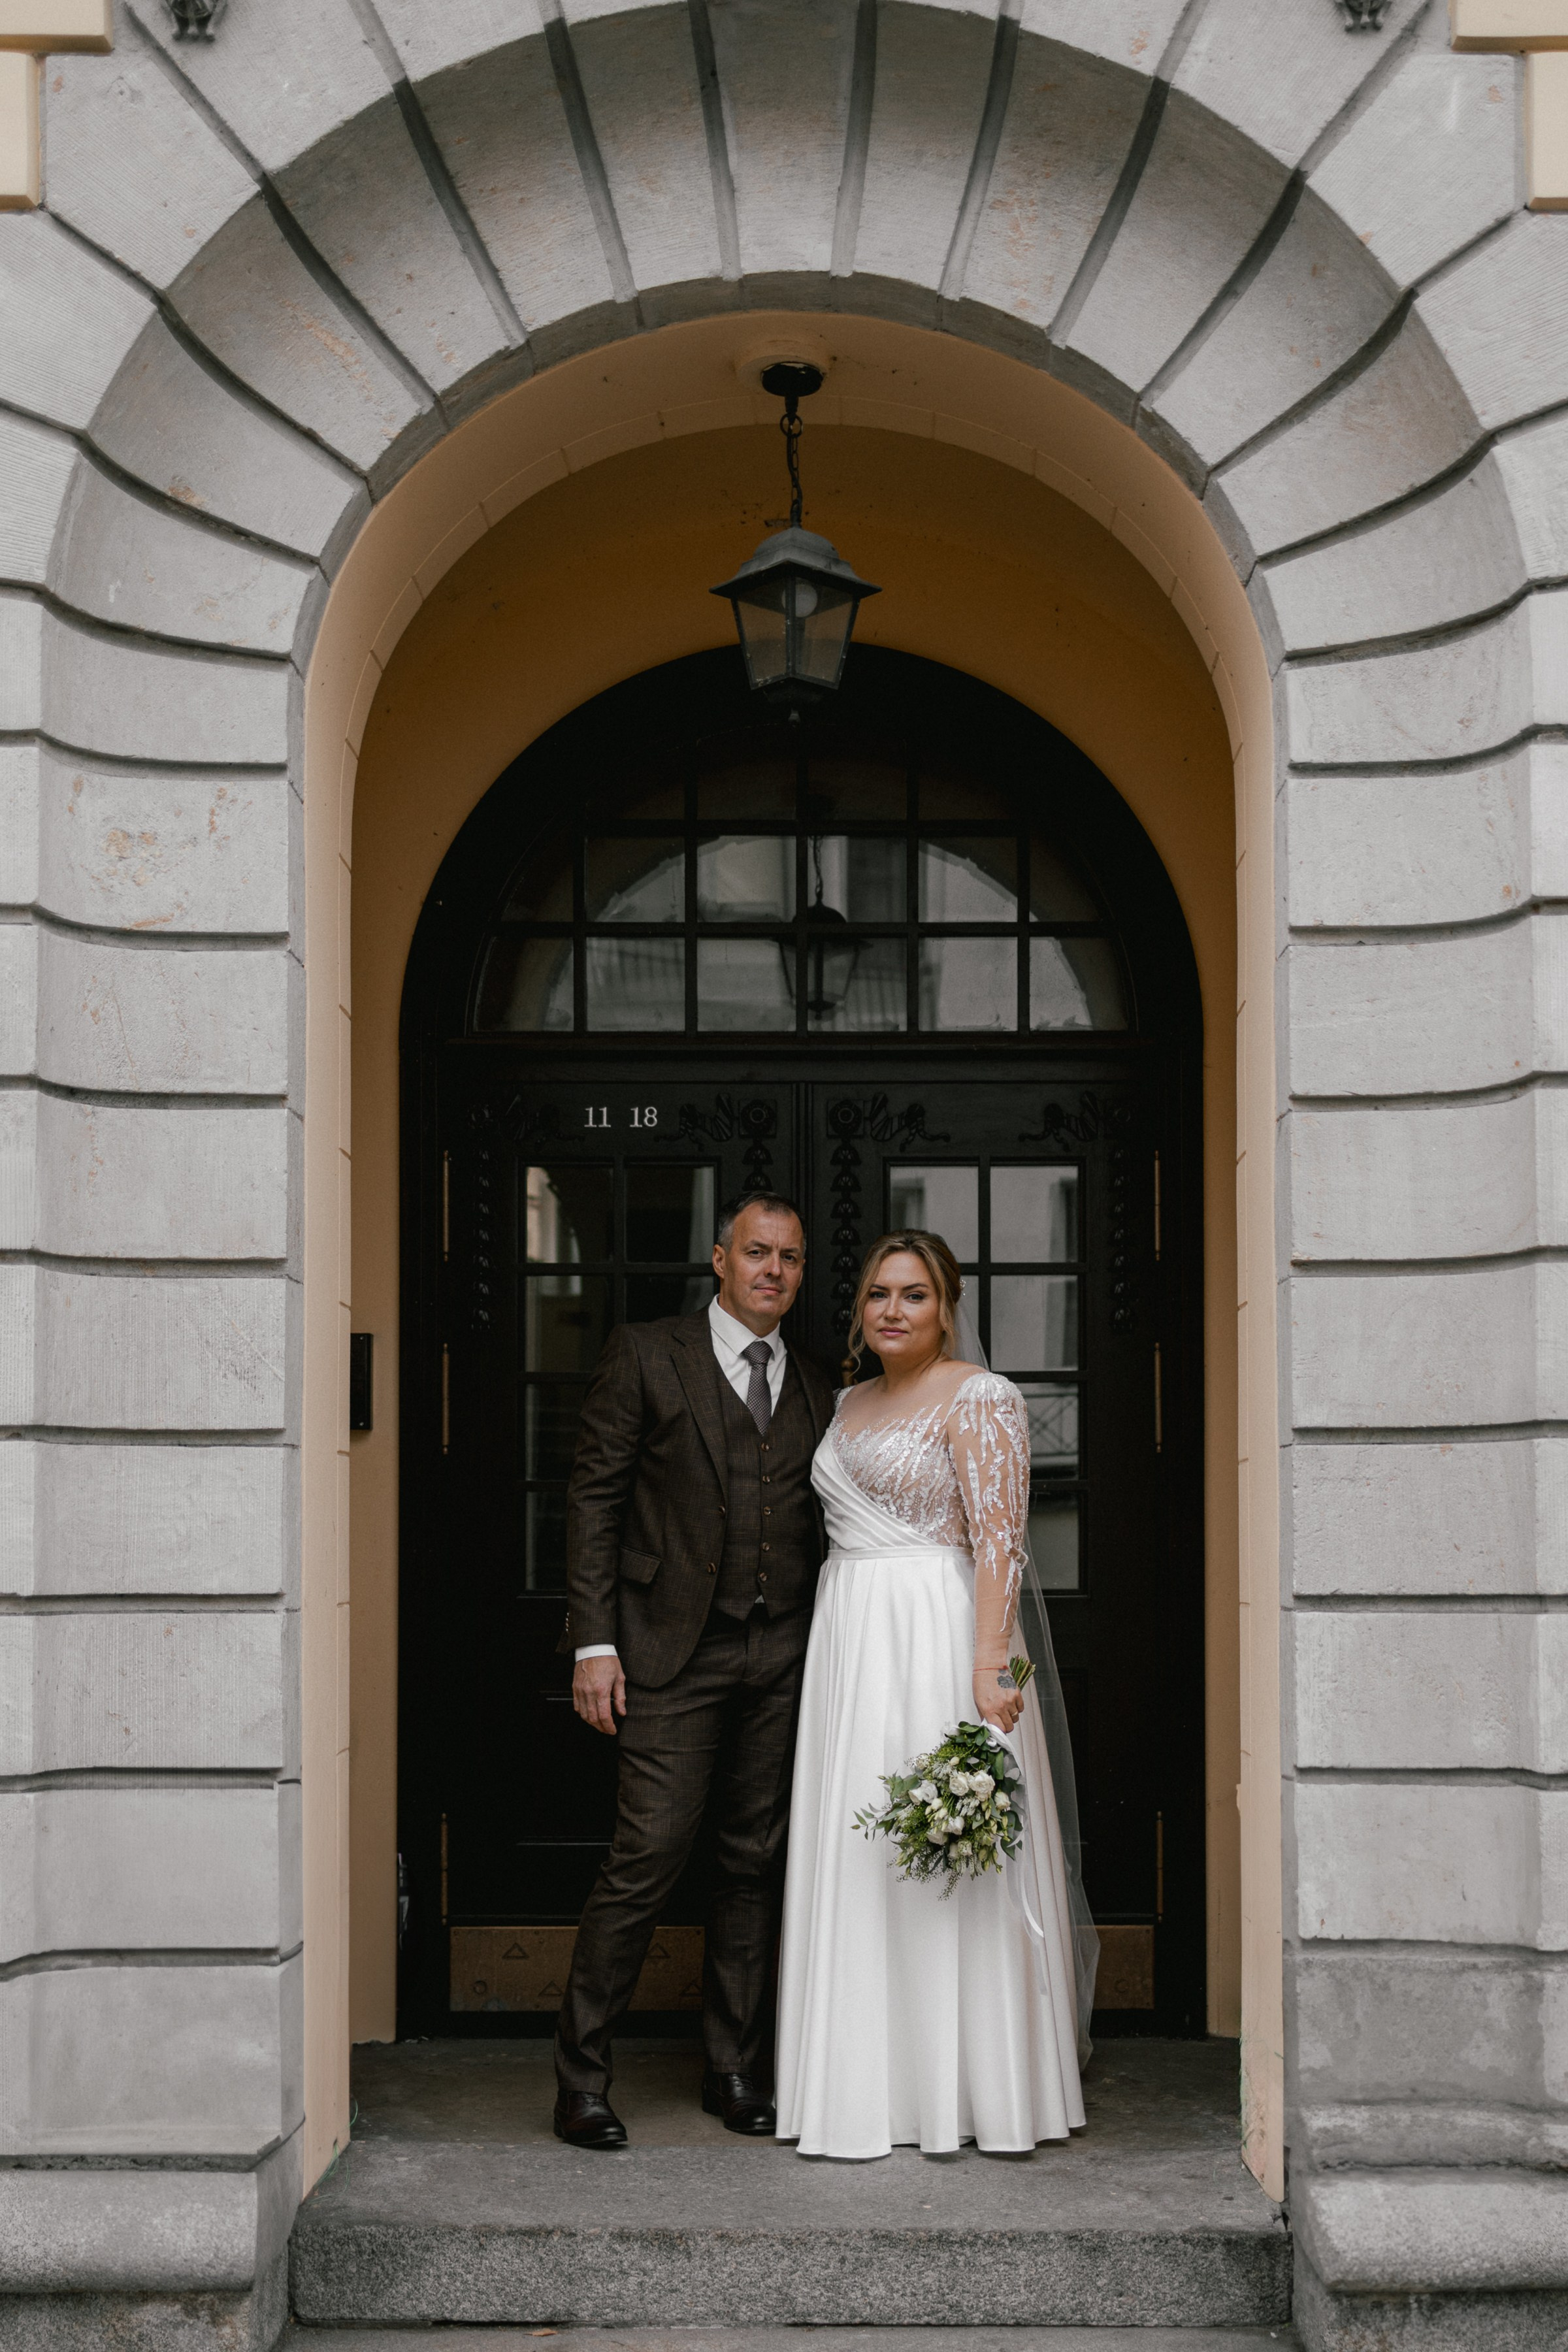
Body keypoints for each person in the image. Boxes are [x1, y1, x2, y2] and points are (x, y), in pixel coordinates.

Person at [775, 1228, 1088, 2158]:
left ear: (946, 1305)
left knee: (947, 1854)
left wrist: (993, 1665)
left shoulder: (982, 1397)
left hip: (937, 1636)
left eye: (913, 1294)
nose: (893, 1311)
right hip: (851, 1638)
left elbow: (1001, 1541)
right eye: (878, 1294)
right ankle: (862, 2084)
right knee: (857, 1849)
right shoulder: (845, 1402)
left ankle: (970, 2089)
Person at [554, 1192, 834, 2149]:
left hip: (784, 1652)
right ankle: (582, 2079)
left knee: (753, 1864)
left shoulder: (818, 1379)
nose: (774, 1271)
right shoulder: (647, 1353)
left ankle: (734, 2068)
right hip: (671, 1652)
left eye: (790, 1258)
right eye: (757, 1253)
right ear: (719, 1260)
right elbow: (592, 1500)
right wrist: (595, 1642)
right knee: (645, 1862)